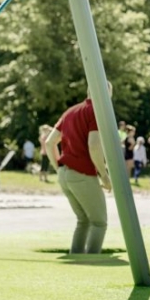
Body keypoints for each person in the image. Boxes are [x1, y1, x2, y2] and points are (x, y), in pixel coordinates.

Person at [45, 87, 112, 254]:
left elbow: (49, 143)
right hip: (82, 174)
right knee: (99, 222)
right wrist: (104, 175)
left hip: (64, 173)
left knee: (83, 220)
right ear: (106, 93)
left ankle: (76, 258)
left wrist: (59, 168)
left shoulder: (70, 111)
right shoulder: (96, 111)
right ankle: (92, 263)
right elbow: (94, 145)